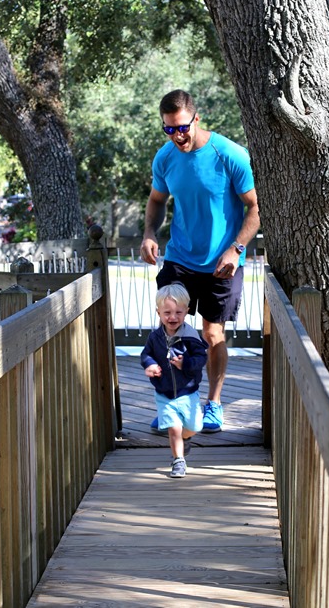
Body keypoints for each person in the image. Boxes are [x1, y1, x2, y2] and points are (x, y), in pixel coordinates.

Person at [140, 89, 260, 434]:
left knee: (211, 334)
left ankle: (215, 404)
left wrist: (236, 249)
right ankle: (174, 402)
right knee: (171, 331)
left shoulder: (230, 155)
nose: (177, 136)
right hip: (180, 257)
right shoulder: (165, 159)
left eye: (181, 128)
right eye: (168, 129)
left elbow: (256, 207)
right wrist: (150, 233)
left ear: (197, 118)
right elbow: (156, 201)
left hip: (223, 261)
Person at [140, 283, 208, 478]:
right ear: (158, 312)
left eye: (178, 312)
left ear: (186, 311)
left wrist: (185, 364)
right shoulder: (155, 337)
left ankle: (185, 439)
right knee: (174, 428)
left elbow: (201, 358)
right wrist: (150, 365)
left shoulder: (190, 336)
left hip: (188, 392)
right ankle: (178, 460)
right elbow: (146, 355)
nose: (173, 317)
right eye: (167, 312)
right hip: (165, 393)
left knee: (195, 427)